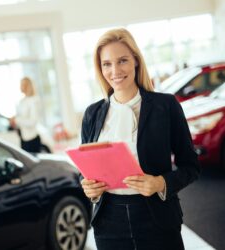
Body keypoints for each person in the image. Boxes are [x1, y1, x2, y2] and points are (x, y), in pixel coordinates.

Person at [80, 28, 200, 250]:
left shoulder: (166, 106)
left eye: (122, 60)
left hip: (157, 219)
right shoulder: (92, 113)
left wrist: (160, 183)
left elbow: (191, 166)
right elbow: (86, 170)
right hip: (109, 223)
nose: (115, 70)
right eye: (107, 64)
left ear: (135, 60)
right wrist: (89, 188)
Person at [9, 77, 42, 153]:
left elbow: (33, 122)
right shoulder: (22, 101)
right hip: (23, 139)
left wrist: (17, 120)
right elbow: (20, 118)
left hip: (32, 139)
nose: (20, 87)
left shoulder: (34, 100)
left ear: (27, 86)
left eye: (22, 84)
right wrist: (14, 121)